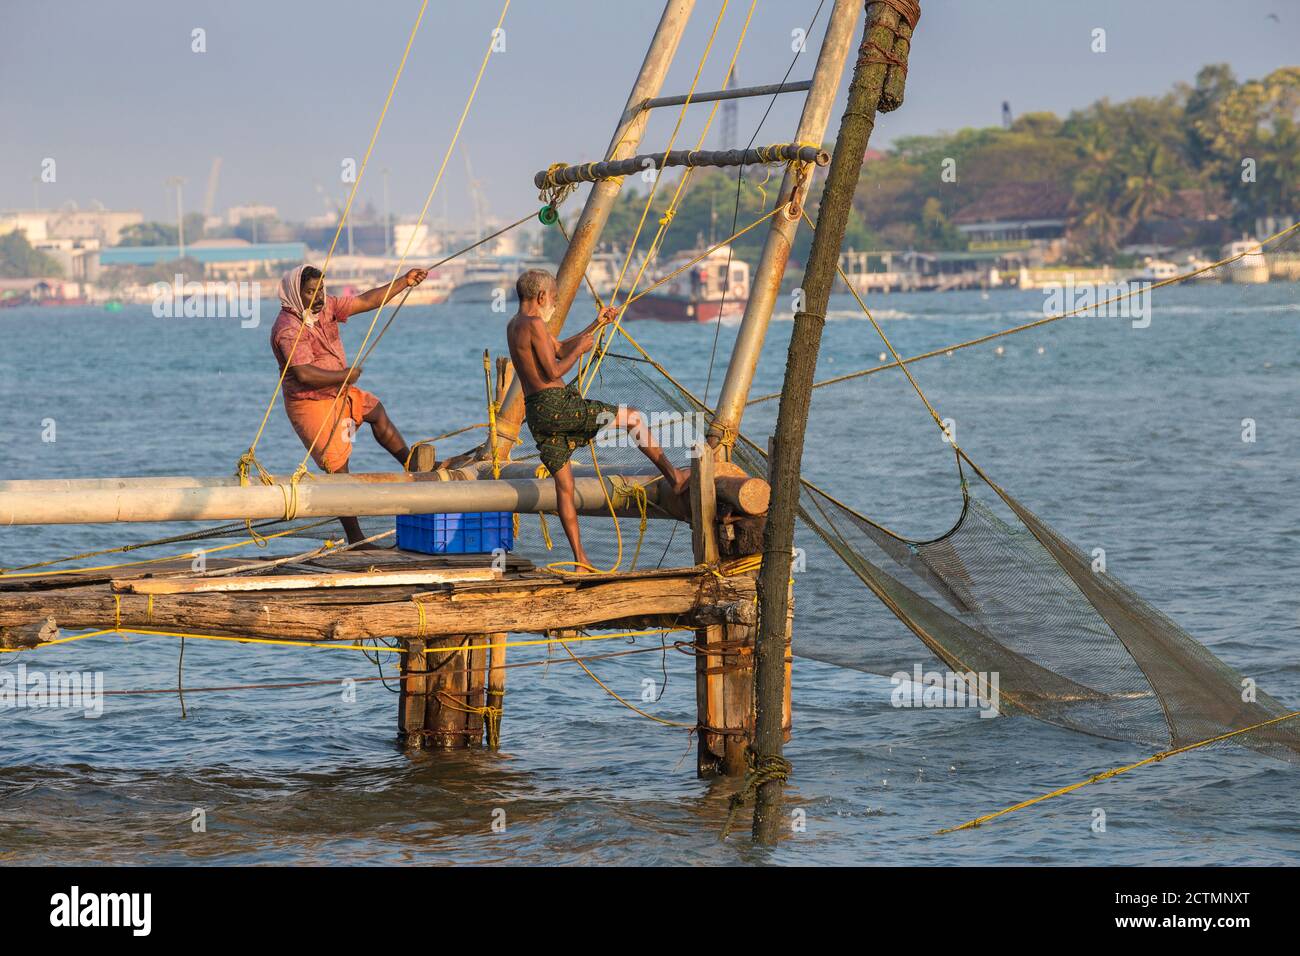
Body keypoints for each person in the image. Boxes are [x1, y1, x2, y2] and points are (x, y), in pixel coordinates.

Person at [505, 268, 689, 572]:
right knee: (632, 418)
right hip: (558, 408)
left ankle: (581, 560)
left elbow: (559, 348)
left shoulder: (515, 325)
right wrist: (580, 350)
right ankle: (674, 476)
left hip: (538, 414)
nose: (553, 304)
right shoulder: (535, 323)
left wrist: (597, 323)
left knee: (564, 486)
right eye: (552, 298)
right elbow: (555, 370)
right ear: (540, 297)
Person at [270, 263, 428, 543]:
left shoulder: (327, 307)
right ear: (296, 293)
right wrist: (345, 375)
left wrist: (405, 281)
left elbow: (366, 301)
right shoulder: (288, 328)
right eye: (310, 292)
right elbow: (303, 374)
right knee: (338, 469)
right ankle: (355, 539)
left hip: (338, 391)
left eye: (321, 289)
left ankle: (412, 465)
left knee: (376, 412)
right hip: (310, 403)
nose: (318, 297)